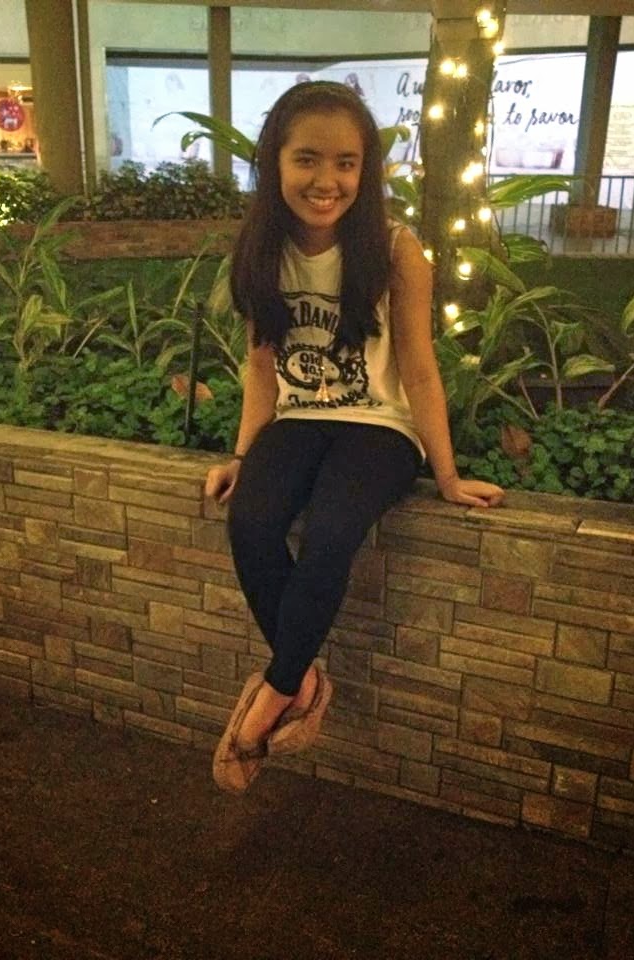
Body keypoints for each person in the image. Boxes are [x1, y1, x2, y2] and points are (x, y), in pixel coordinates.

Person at [205, 81, 503, 794]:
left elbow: (421, 369)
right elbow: (261, 366)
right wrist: (243, 454)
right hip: (299, 418)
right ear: (275, 162)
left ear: (366, 169)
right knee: (250, 520)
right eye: (307, 159)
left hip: (381, 427)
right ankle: (303, 679)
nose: (327, 181)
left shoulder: (398, 251)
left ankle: (271, 698)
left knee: (333, 531)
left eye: (346, 163)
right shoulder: (262, 250)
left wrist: (447, 475)